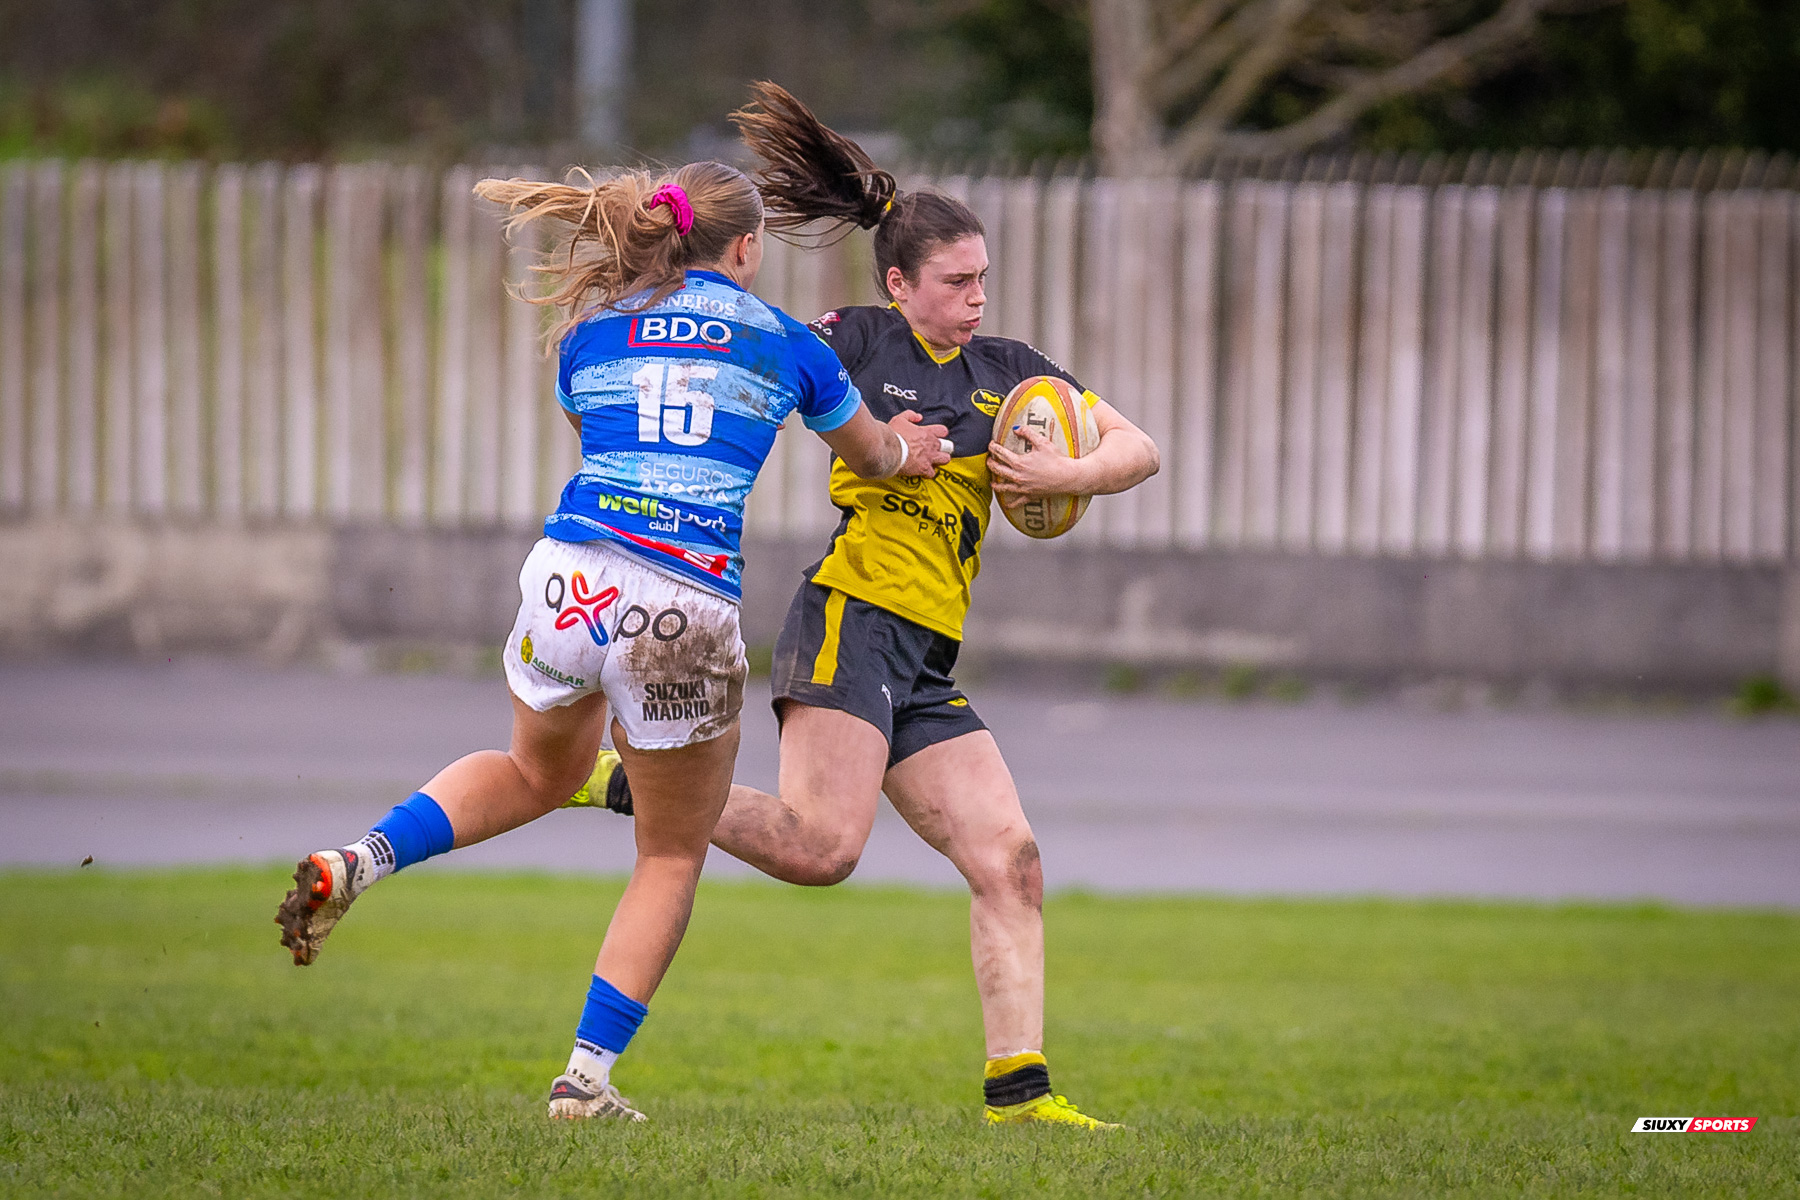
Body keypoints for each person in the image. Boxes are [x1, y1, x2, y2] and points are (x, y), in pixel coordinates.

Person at [272, 158, 952, 1122]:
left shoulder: (591, 337)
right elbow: (875, 455)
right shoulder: (789, 342)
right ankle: (585, 1080)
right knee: (670, 853)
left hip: (569, 575)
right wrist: (913, 450)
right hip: (682, 600)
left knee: (534, 771)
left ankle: (360, 860)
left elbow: (601, 428)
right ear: (749, 247)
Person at [570, 84, 1161, 1130]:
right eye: (958, 281)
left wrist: (1067, 474)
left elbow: (1137, 447)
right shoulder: (851, 339)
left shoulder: (1012, 375)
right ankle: (617, 777)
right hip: (851, 618)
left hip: (926, 653)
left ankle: (1019, 1096)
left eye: (986, 280)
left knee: (1011, 861)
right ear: (900, 282)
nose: (979, 299)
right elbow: (749, 353)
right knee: (819, 850)